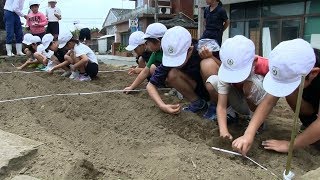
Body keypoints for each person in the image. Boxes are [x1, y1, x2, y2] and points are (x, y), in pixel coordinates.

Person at [232, 39, 320, 155]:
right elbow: (268, 102)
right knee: (290, 92)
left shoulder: (304, 70)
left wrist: (290, 145)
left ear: (313, 73)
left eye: (292, 83)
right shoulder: (289, 64)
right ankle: (309, 124)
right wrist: (248, 135)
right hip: (310, 104)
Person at [206, 35, 268, 140]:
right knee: (212, 81)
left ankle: (257, 122)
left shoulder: (266, 66)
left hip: (261, 104)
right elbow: (221, 106)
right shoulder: (228, 66)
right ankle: (231, 115)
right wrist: (224, 131)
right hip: (241, 101)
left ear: (253, 61)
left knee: (249, 87)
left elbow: (272, 99)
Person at [146, 26, 209, 114]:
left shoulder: (204, 49)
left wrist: (212, 57)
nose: (176, 64)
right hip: (196, 88)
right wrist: (162, 106)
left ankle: (214, 105)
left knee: (208, 64)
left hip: (210, 89)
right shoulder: (172, 54)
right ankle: (198, 103)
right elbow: (150, 86)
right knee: (172, 74)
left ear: (190, 49)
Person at [123, 23, 167, 93]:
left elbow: (147, 70)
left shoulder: (168, 51)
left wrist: (138, 70)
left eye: (148, 43)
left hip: (175, 76)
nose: (147, 45)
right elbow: (146, 71)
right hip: (167, 74)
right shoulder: (155, 53)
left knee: (153, 68)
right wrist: (132, 87)